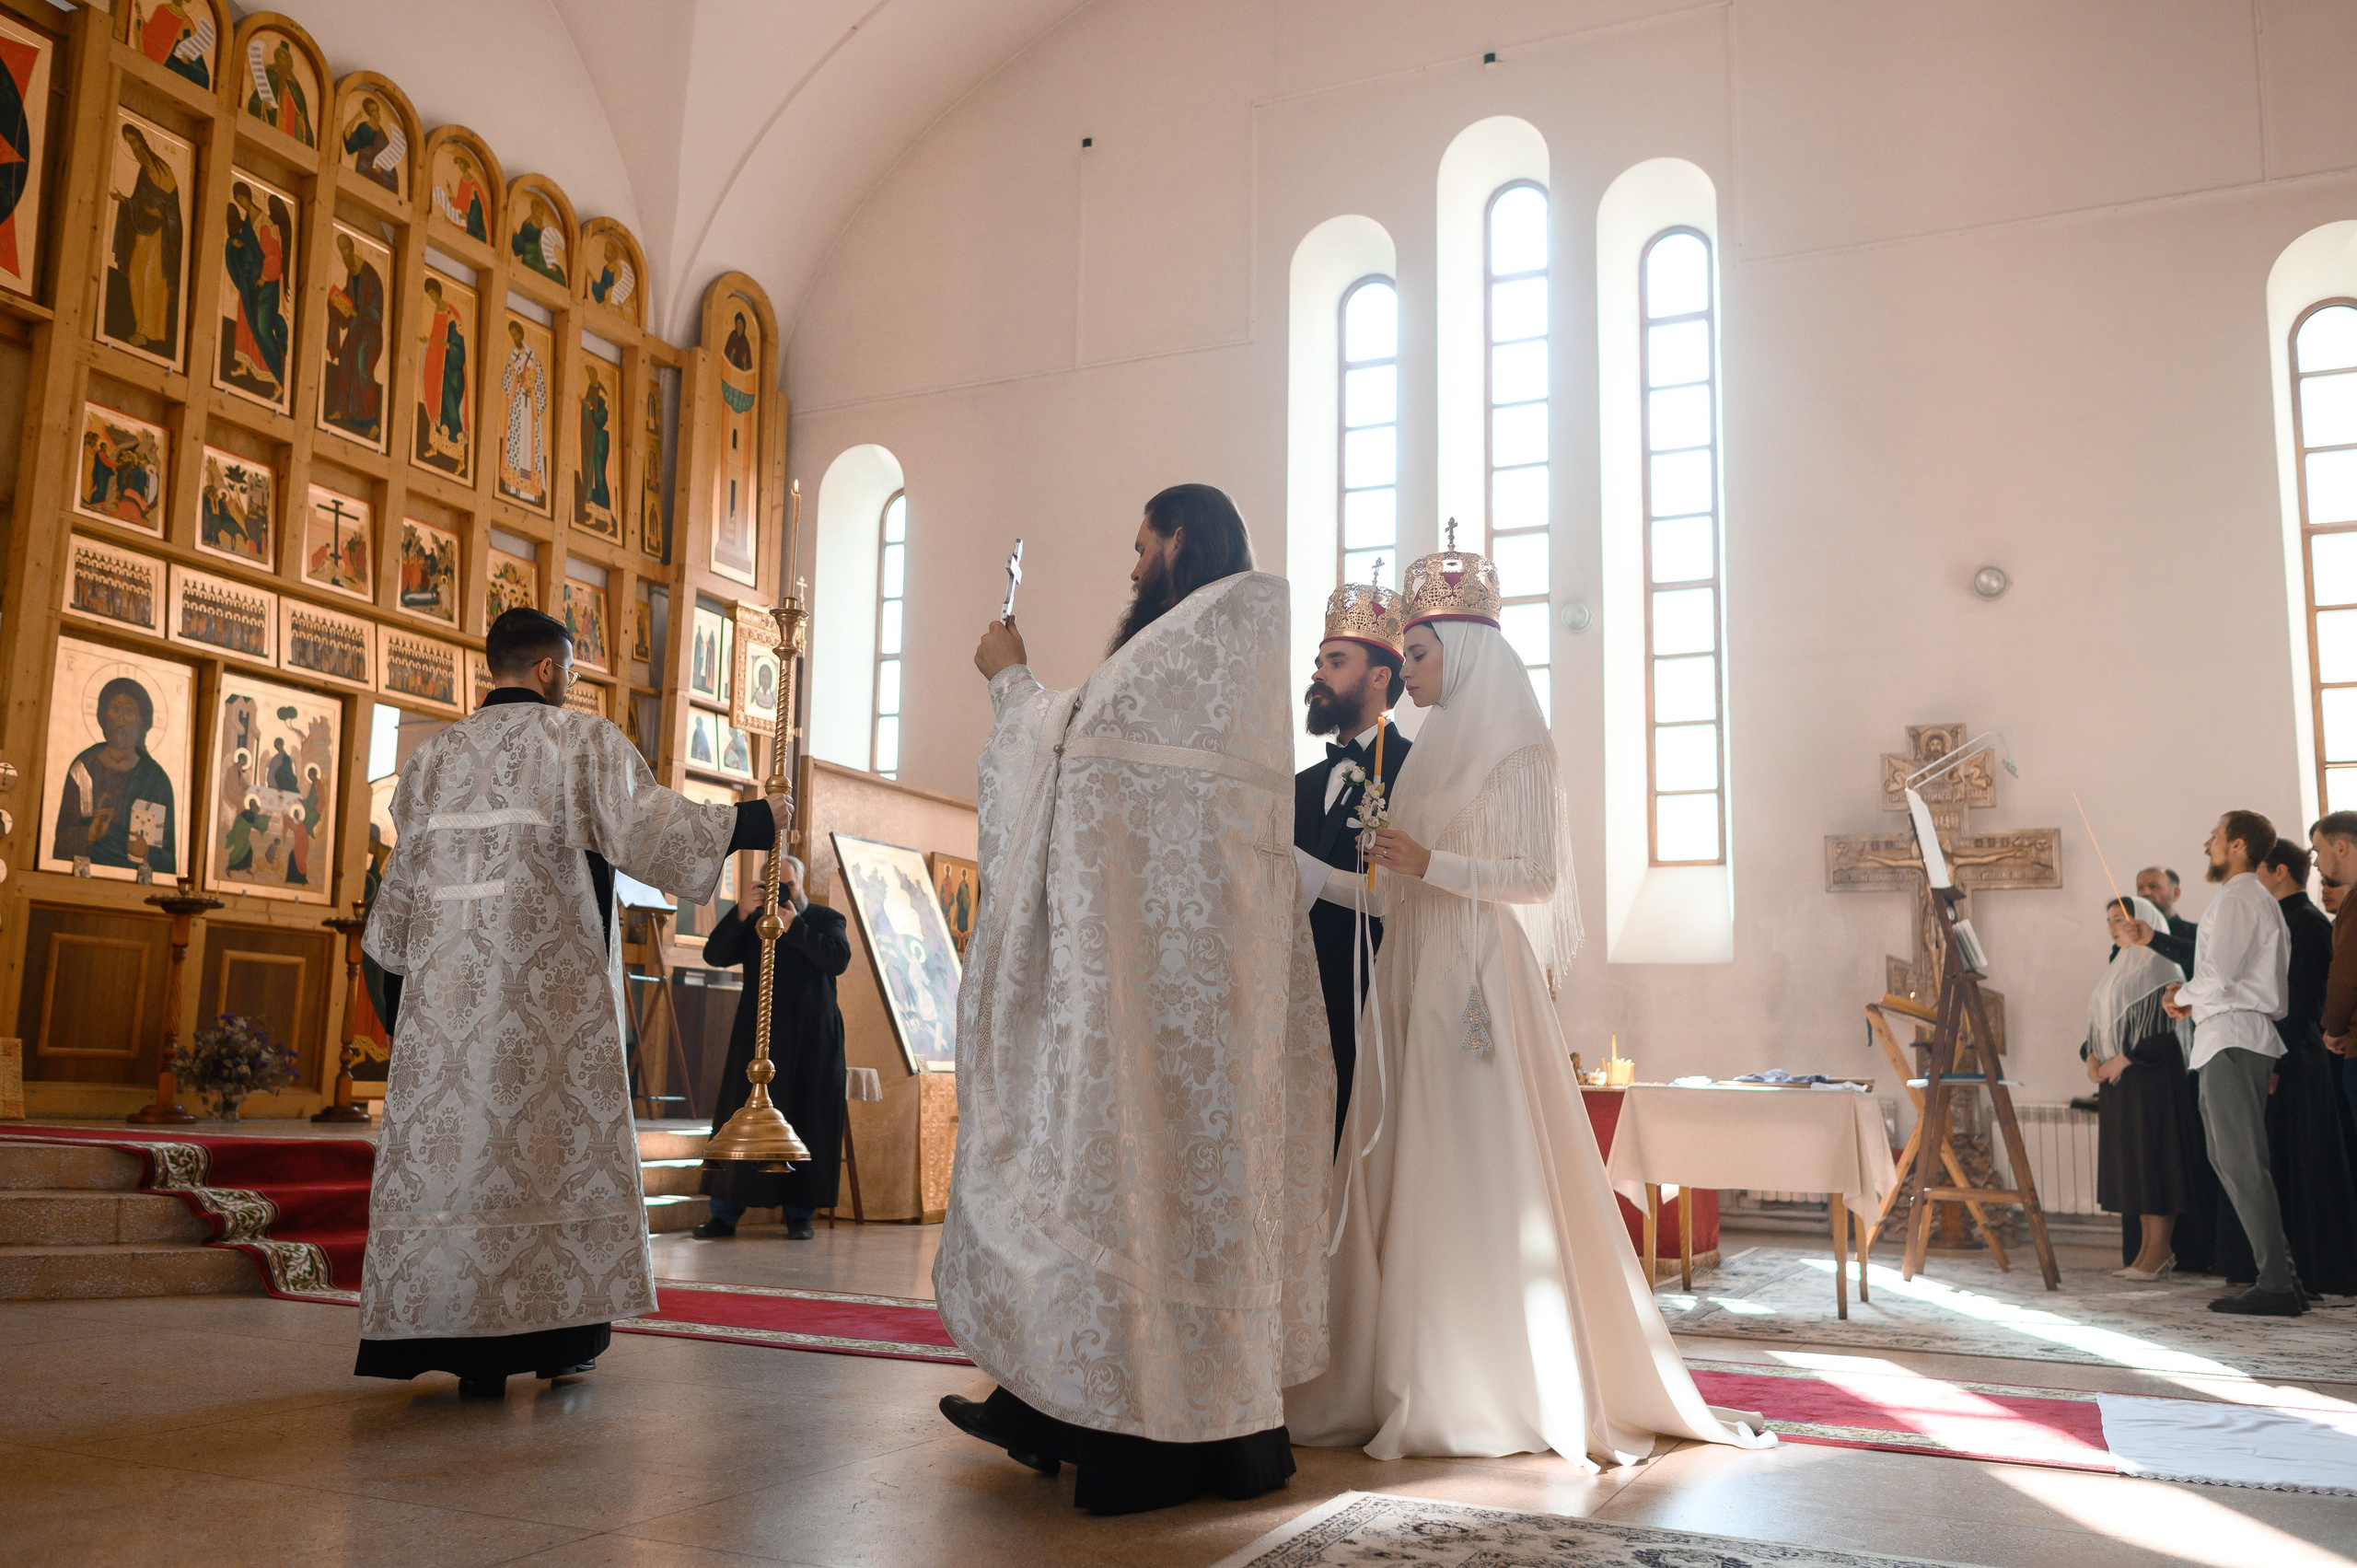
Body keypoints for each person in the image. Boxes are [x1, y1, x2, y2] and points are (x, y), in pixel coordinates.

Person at [1284, 540, 1771, 1468]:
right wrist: (1317, 875)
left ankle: (1481, 1374)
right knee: (1405, 1149)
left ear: (1462, 653)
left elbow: (1534, 878)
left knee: (1469, 1152)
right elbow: (1396, 895)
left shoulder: (1517, 748)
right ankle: (1393, 1364)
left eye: (1419, 654)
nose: (1407, 668)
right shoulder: (1424, 756)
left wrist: (1432, 863)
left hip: (1472, 973)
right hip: (1413, 969)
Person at [934, 483, 1332, 1516]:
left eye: (1140, 542)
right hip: (1205, 1013)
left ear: (1180, 540)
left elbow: (1074, 751)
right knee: (1153, 1211)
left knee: (1120, 1196)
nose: (1129, 565)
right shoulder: (1229, 657)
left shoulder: (1178, 655)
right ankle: (1047, 1409)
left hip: (1151, 1011)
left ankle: (1124, 1436)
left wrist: (1008, 678)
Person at [357, 610, 788, 1396]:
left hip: (447, 1010)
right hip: (547, 1010)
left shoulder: (430, 760)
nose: (576, 686)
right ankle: (559, 1343)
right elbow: (648, 824)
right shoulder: (581, 742)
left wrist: (402, 1006)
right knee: (548, 1162)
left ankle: (468, 1355)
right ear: (551, 671)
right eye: (576, 673)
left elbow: (395, 903)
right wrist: (755, 820)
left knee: (464, 1166)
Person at [2161, 810, 2302, 1316]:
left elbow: (2217, 976)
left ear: (2238, 845)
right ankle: (2281, 1275)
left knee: (2243, 1163)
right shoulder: (2245, 897)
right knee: (2233, 1161)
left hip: (2234, 1037)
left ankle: (2276, 1283)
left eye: (2215, 837)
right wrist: (2193, 997)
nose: (2208, 844)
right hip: (2229, 1035)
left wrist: (2182, 993)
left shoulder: (2240, 896)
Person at [1293, 577, 1411, 1147]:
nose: (1318, 673)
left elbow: (1403, 893)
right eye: (1318, 662)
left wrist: (1294, 868)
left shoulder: (1417, 771)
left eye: (1336, 661)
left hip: (1375, 1008)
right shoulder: (1296, 786)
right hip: (1295, 1007)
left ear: (1381, 676)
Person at [693, 851, 851, 1241]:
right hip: (758, 1041)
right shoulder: (754, 921)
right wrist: (742, 913)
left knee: (807, 1120)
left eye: (789, 885)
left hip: (813, 1041)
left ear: (801, 886)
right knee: (742, 1118)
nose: (782, 893)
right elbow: (715, 955)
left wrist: (794, 926)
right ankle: (724, 1214)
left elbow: (837, 959)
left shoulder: (825, 919)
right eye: (772, 886)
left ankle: (800, 1214)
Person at [2233, 838, 2357, 1295]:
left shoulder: (2305, 921)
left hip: (2297, 1058)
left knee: (2310, 1167)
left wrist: (2278, 1059)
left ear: (2278, 871)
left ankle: (2320, 1268)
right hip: (2287, 1053)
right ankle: (2293, 1264)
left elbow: (2303, 1000)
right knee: (2286, 1163)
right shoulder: (2282, 918)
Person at [2083, 896, 2211, 1280]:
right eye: (2108, 921)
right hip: (2120, 1085)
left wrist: (2121, 1060)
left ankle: (2160, 1252)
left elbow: (2169, 1034)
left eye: (2121, 919)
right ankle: (2144, 1252)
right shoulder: (2116, 968)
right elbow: (2099, 1026)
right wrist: (2090, 1057)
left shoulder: (2164, 965)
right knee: (2134, 1169)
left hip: (2152, 1080)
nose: (2113, 927)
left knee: (2156, 1165)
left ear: (2144, 921)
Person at [2136, 865, 2198, 970]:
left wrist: (2153, 939)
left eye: (2153, 886)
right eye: (2140, 888)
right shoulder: (2132, 938)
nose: (2145, 893)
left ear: (2176, 893)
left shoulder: (2198, 933)